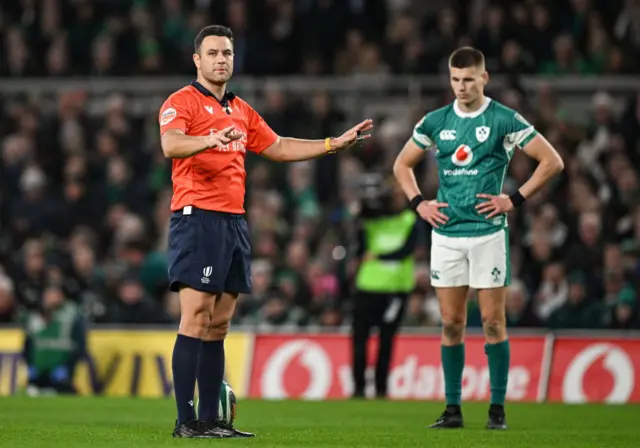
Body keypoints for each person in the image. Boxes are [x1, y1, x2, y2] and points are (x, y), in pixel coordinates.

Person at [159, 25, 373, 439]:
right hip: (197, 218)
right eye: (214, 53)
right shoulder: (180, 102)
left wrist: (333, 143)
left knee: (219, 324)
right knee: (195, 317)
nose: (222, 59)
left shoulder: (240, 108)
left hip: (234, 222)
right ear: (197, 60)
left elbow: (277, 147)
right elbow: (171, 145)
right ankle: (185, 421)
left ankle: (211, 420)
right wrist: (209, 139)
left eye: (227, 53)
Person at [393, 47, 564, 430]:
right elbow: (401, 164)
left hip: (487, 234)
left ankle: (497, 410)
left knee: (492, 321)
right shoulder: (436, 121)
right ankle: (453, 410)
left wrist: (514, 199)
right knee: (452, 322)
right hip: (447, 235)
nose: (461, 87)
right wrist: (419, 203)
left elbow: (552, 161)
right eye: (455, 79)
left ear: (484, 78)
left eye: (468, 79)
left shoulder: (504, 118)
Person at [352, 178, 420, 399]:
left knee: (386, 341)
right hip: (367, 286)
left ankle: (381, 388)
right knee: (360, 339)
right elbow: (359, 246)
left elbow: (406, 251)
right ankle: (359, 388)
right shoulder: (371, 222)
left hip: (395, 289)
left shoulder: (410, 220)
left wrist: (378, 256)